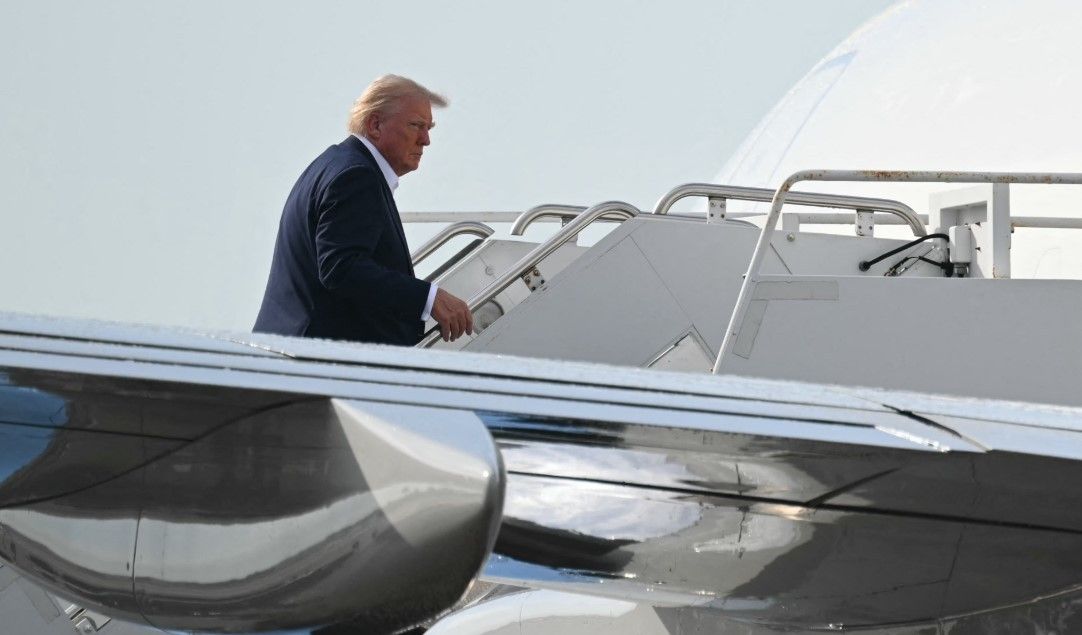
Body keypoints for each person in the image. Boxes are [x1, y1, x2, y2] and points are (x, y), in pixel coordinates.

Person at [253, 75, 473, 345]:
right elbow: (340, 268)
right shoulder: (357, 176)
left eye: (429, 128)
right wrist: (428, 298)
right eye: (416, 125)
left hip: (295, 350)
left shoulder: (336, 164)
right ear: (375, 124)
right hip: (313, 358)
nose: (425, 140)